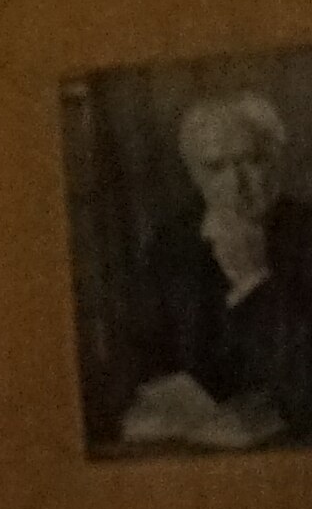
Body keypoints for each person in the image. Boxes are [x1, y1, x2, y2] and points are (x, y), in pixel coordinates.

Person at [120, 91, 312, 453]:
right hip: (192, 444)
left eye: (251, 162)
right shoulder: (172, 243)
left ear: (277, 162)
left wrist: (252, 278)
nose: (236, 185)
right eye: (216, 167)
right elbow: (137, 352)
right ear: (194, 174)